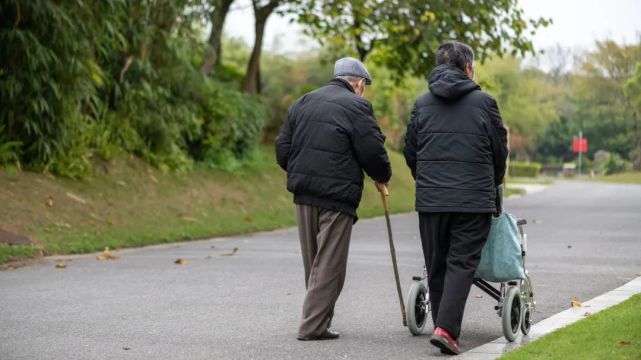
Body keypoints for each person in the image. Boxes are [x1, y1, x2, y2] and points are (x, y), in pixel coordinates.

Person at [403, 41, 508, 355]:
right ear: (468, 68)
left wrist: (425, 179)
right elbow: (499, 153)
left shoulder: (422, 104)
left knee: (437, 263)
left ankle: (441, 326)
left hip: (432, 200)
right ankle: (446, 330)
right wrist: (493, 181)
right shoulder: (485, 103)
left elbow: (410, 150)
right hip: (473, 200)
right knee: (461, 263)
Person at [275, 57, 392, 341]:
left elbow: (282, 148)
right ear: (360, 83)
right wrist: (382, 174)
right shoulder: (357, 106)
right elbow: (371, 149)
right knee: (329, 263)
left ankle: (319, 321)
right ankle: (312, 326)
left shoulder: (303, 102)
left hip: (304, 194)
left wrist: (302, 169)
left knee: (315, 262)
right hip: (337, 196)